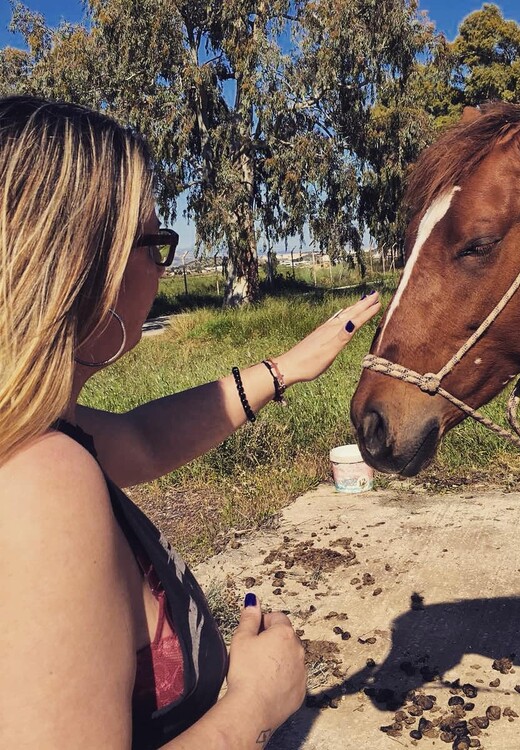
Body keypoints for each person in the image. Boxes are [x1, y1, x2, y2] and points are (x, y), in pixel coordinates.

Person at [0, 96, 381, 749]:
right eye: (156, 242)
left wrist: (287, 367)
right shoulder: (37, 486)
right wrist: (254, 705)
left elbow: (144, 441)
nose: (163, 264)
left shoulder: (43, 433)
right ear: (80, 271)